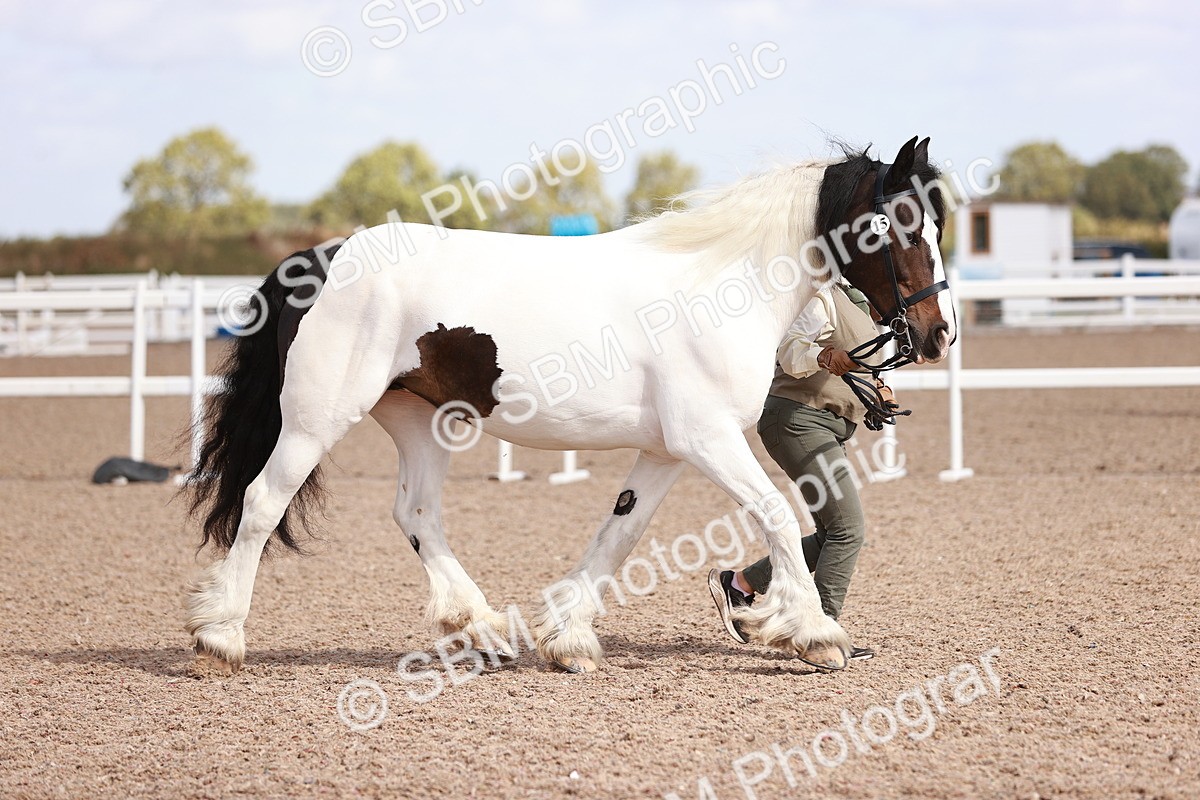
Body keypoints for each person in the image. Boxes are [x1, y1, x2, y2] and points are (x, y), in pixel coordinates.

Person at [708, 279, 895, 667]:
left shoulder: (857, 303)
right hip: (796, 421)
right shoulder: (820, 295)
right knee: (849, 529)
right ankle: (820, 628)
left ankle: (739, 584)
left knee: (832, 533)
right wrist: (827, 357)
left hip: (822, 423)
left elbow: (854, 365)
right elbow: (792, 353)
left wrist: (877, 389)